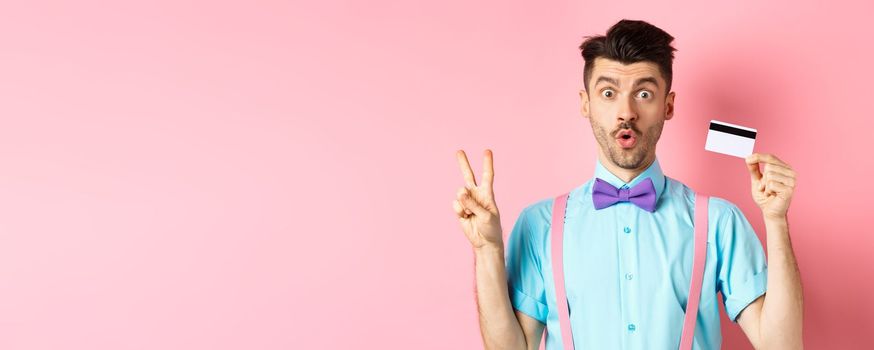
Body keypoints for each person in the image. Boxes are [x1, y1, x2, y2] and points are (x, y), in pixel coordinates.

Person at [452, 19, 803, 350]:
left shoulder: (720, 221)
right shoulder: (539, 224)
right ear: (585, 104)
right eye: (608, 93)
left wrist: (776, 220)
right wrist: (487, 251)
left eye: (644, 94)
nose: (626, 112)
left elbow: (780, 345)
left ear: (668, 106)